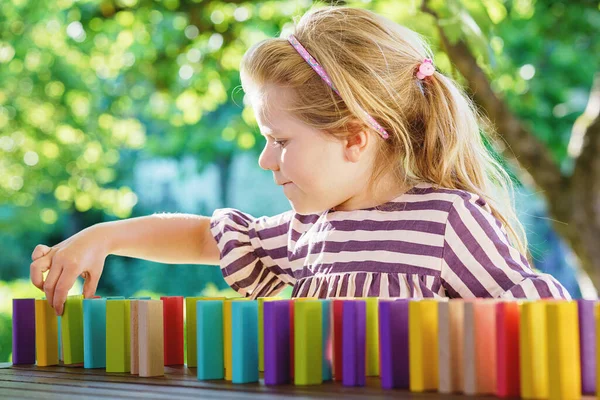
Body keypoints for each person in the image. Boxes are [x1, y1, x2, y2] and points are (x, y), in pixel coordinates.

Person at [29, 6, 570, 316]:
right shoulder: (307, 231)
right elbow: (203, 239)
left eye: (281, 140)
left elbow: (544, 319)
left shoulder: (449, 222)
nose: (267, 159)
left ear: (354, 138)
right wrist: (102, 235)